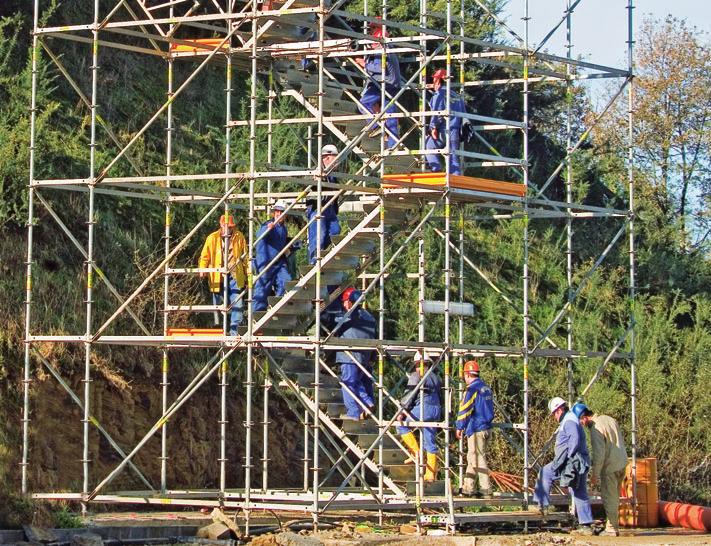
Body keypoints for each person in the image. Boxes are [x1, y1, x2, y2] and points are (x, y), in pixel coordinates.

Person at [534, 397, 595, 534]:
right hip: (576, 461)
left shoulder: (568, 421)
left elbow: (574, 440)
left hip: (569, 461)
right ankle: (586, 525)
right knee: (579, 491)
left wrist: (568, 460)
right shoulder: (571, 419)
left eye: (554, 413)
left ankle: (541, 506)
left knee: (545, 473)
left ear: (559, 410)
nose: (554, 417)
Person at [574, 402, 628, 537]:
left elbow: (599, 455)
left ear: (584, 417)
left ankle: (611, 529)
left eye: (580, 421)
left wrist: (595, 475)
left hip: (610, 466)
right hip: (622, 463)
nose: (581, 424)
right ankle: (612, 525)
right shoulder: (609, 419)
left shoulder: (595, 428)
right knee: (615, 497)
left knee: (609, 498)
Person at [198, 214, 248, 335]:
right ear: (221, 225)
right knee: (219, 305)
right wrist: (202, 269)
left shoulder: (239, 237)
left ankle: (234, 332)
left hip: (235, 274)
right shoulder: (212, 238)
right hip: (217, 275)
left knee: (237, 302)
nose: (228, 229)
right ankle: (219, 330)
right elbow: (205, 256)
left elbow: (245, 258)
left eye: (230, 227)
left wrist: (248, 275)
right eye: (226, 226)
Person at [396, 351, 442, 482]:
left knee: (402, 425)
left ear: (417, 363)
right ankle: (430, 474)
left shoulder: (417, 375)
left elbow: (409, 394)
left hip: (424, 409)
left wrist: (401, 411)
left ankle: (416, 453)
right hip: (436, 410)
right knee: (430, 441)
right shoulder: (435, 377)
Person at [356, 20, 401, 149]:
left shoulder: (380, 47)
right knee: (390, 115)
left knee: (363, 103)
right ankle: (393, 143)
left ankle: (375, 126)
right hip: (391, 84)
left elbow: (379, 68)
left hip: (383, 83)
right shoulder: (387, 46)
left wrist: (364, 64)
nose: (369, 32)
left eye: (371, 29)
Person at [334, 287, 376, 420]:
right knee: (358, 383)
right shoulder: (369, 317)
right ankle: (367, 404)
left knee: (349, 383)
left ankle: (353, 413)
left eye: (345, 301)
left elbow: (331, 323)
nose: (344, 304)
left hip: (349, 356)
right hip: (365, 357)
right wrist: (373, 357)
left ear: (350, 301)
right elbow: (376, 337)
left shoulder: (346, 317)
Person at [455, 359, 495, 497]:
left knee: (477, 458)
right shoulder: (485, 388)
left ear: (467, 374)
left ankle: (485, 489)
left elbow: (465, 408)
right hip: (487, 428)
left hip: (477, 428)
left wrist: (459, 426)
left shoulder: (472, 389)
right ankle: (468, 487)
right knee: (472, 457)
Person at [252, 200, 293, 312]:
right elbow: (259, 236)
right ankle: (256, 314)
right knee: (262, 288)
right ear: (274, 213)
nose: (279, 214)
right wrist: (267, 229)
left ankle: (276, 306)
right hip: (266, 262)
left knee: (286, 281)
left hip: (278, 262)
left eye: (282, 212)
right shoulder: (268, 224)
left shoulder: (283, 229)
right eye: (277, 212)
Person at [425, 69, 467, 175]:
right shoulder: (457, 96)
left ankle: (436, 171)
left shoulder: (438, 95)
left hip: (444, 130)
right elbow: (464, 114)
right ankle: (456, 179)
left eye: (433, 79)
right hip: (456, 130)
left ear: (438, 80)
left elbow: (437, 113)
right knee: (453, 155)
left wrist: (433, 127)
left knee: (429, 146)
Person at [306, 144, 341, 265]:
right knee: (318, 236)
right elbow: (305, 179)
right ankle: (314, 263)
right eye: (334, 158)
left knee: (335, 231)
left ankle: (324, 257)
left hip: (330, 209)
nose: (337, 161)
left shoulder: (333, 175)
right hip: (318, 208)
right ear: (326, 158)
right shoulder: (316, 171)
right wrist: (314, 177)